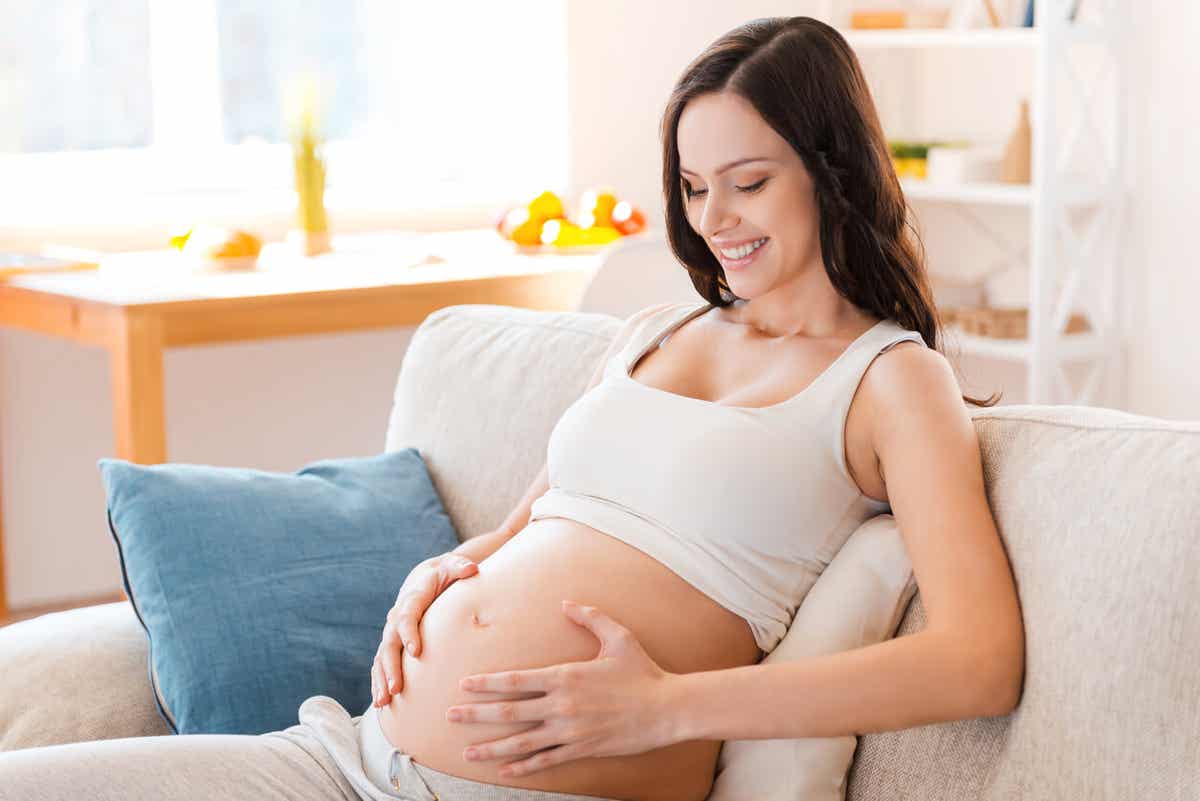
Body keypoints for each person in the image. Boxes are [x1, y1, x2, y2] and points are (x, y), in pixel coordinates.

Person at [0, 15, 1025, 801]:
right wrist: (445, 572)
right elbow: (544, 515)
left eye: (748, 183)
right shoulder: (653, 333)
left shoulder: (890, 382)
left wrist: (669, 705)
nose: (716, 220)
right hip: (354, 753)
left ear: (830, 171)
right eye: (695, 186)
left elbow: (980, 660)